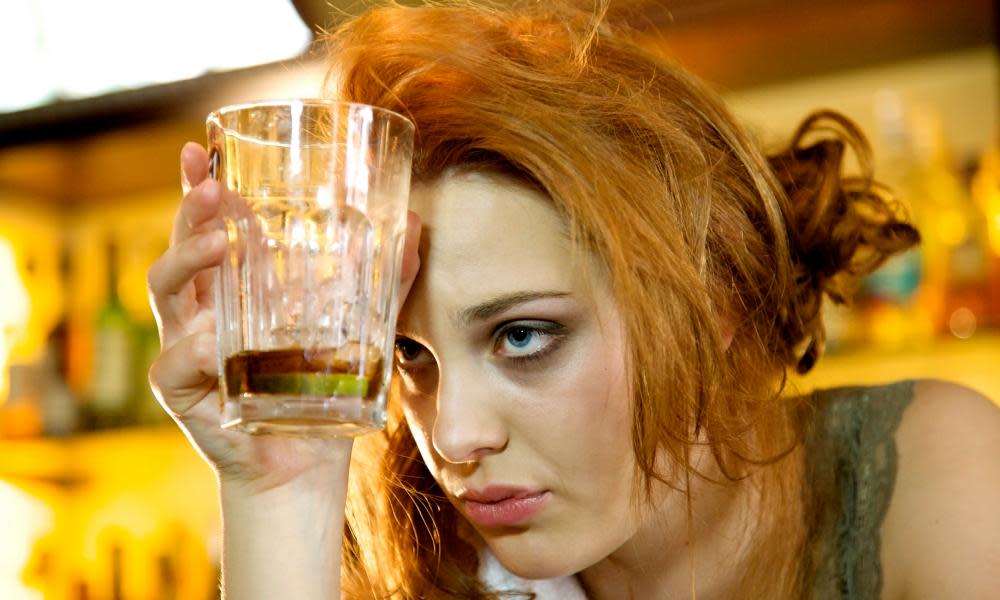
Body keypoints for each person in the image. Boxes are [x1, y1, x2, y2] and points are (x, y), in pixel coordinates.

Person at [147, 1, 1000, 598]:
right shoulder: (425, 567)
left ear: (717, 296)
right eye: (410, 355)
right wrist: (277, 494)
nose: (453, 436)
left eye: (522, 336)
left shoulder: (940, 481)